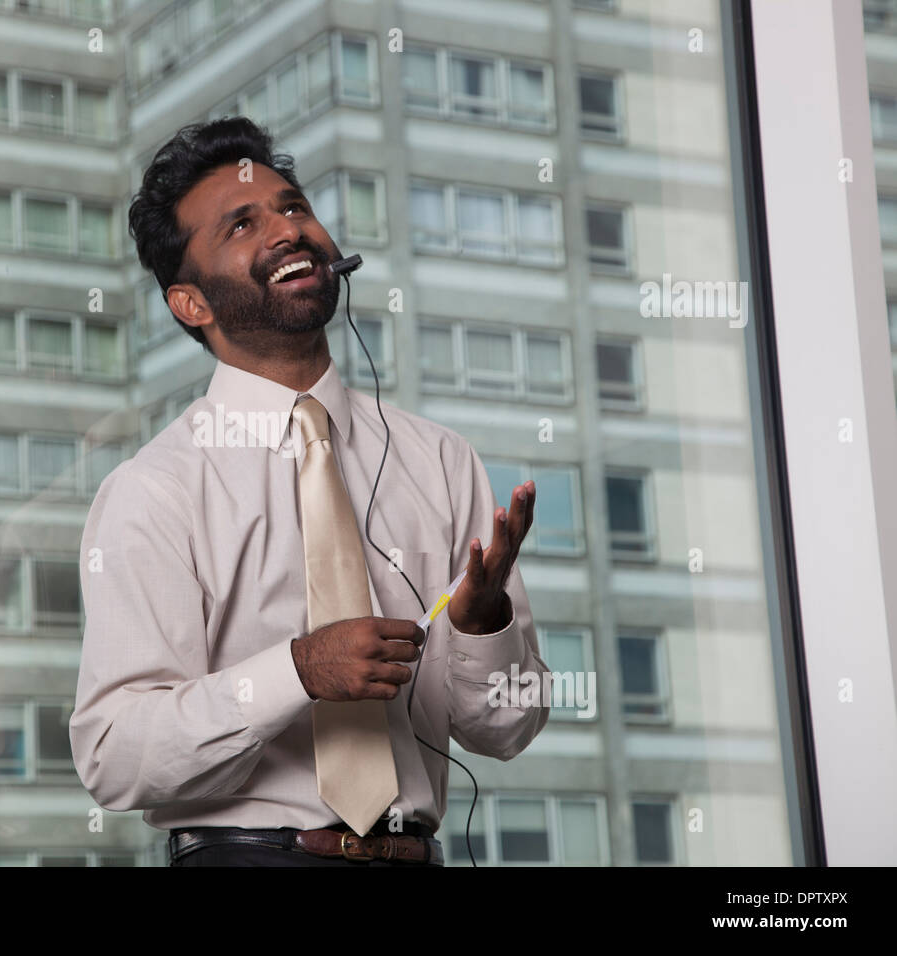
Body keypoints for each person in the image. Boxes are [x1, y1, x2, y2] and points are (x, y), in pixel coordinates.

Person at [69, 116, 550, 867]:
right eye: (242, 224)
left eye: (294, 208)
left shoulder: (442, 460)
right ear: (190, 304)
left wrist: (484, 623)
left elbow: (508, 727)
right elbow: (113, 754)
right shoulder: (155, 491)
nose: (287, 231)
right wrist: (295, 672)